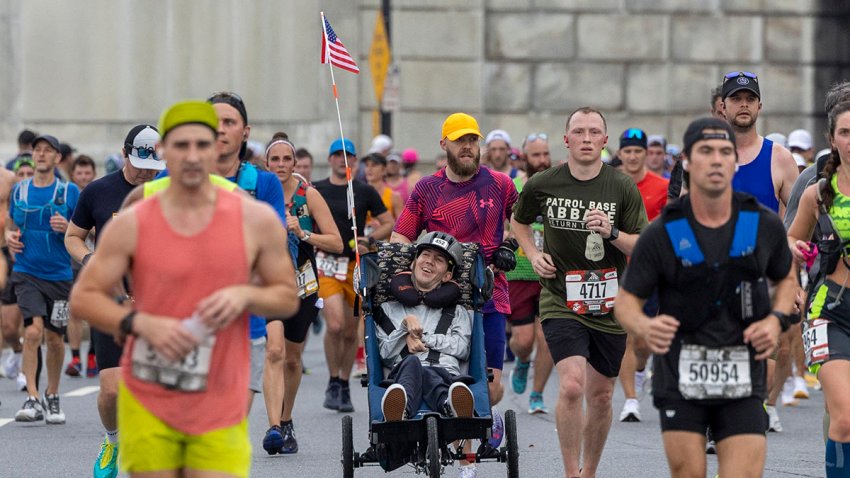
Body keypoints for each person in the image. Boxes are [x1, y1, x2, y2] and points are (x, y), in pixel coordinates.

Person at [69, 100, 299, 478]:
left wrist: (244, 295)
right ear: (163, 151)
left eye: (201, 145)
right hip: (150, 391)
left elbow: (286, 294)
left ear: (219, 148)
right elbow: (85, 296)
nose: (192, 156)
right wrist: (139, 324)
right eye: (180, 145)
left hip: (219, 392)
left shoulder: (250, 215)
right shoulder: (137, 209)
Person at [616, 117, 797, 478]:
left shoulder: (761, 223)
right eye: (706, 151)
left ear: (734, 161)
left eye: (725, 152)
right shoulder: (665, 230)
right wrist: (645, 326)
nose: (716, 160)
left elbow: (786, 277)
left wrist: (775, 319)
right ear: (686, 161)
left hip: (743, 373)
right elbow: (626, 302)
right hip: (681, 374)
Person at [511, 106, 647, 478]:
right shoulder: (544, 183)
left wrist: (612, 233)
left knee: (601, 396)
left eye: (594, 132)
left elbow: (642, 246)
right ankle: (572, 474)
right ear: (566, 139)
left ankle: (589, 473)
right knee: (571, 386)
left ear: (605, 142)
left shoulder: (621, 186)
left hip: (608, 302)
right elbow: (519, 221)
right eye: (579, 132)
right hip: (560, 298)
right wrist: (534, 254)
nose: (587, 139)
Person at [392, 112, 519, 458]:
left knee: (490, 382)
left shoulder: (501, 184)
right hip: (441, 297)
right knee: (447, 369)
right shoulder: (427, 188)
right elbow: (401, 236)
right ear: (444, 144)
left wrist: (510, 245)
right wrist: (404, 279)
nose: (468, 146)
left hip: (488, 294)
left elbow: (521, 223)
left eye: (473, 140)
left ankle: (479, 420)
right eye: (460, 139)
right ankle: (465, 455)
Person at [64, 123, 163, 478]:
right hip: (112, 301)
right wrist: (93, 262)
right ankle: (113, 440)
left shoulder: (169, 191)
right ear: (124, 154)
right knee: (111, 391)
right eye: (139, 163)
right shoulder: (98, 192)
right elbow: (74, 237)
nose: (145, 172)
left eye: (152, 166)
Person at [722, 71, 799, 432]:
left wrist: (795, 278)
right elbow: (682, 218)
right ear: (722, 106)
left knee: (767, 355)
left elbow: (805, 220)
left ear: (759, 106)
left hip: (763, 277)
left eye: (749, 99)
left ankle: (751, 411)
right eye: (736, 99)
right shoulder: (705, 156)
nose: (743, 105)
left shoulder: (779, 159)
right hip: (715, 274)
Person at [261, 132, 342, 454]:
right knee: (274, 352)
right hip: (266, 283)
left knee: (292, 359)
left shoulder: (309, 194)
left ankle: (286, 416)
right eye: (275, 159)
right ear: (266, 164)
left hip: (301, 284)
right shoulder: (258, 193)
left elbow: (336, 242)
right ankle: (273, 427)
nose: (281, 165)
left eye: (286, 159)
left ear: (295, 163)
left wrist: (302, 232)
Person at [787, 100, 850, 477]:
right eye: (845, 132)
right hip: (829, 311)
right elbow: (790, 242)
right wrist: (794, 274)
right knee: (843, 417)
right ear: (832, 139)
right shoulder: (817, 193)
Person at [314, 138, 393, 414]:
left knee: (349, 332)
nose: (342, 160)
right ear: (329, 159)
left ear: (355, 162)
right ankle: (333, 379)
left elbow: (388, 223)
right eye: (337, 155)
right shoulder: (317, 189)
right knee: (334, 325)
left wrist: (368, 240)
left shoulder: (364, 190)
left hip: (354, 266)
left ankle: (343, 383)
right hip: (326, 264)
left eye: (348, 155)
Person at [7, 134, 81, 424]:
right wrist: (9, 238)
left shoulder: (69, 192)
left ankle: (52, 394)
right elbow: (11, 226)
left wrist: (66, 228)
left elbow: (85, 232)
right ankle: (32, 396)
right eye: (37, 149)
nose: (40, 154)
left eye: (47, 151)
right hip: (26, 272)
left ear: (57, 159)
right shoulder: (19, 190)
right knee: (34, 332)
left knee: (54, 337)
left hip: (60, 276)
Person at [377, 231, 475, 422]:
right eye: (425, 255)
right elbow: (385, 355)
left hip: (445, 373)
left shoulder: (457, 311)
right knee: (413, 363)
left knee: (431, 371)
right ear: (413, 263)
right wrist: (404, 328)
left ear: (447, 275)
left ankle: (450, 404)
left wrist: (422, 337)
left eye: (438, 259)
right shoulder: (386, 310)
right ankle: (400, 409)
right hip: (404, 375)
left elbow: (463, 349)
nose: (429, 261)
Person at [613, 127, 669, 422]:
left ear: (646, 154)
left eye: (638, 151)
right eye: (628, 151)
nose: (633, 156)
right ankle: (630, 400)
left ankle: (640, 368)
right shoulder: (611, 184)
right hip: (617, 269)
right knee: (624, 335)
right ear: (620, 154)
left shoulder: (662, 185)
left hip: (651, 271)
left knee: (643, 342)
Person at [506, 132, 554, 415]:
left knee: (546, 337)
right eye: (535, 155)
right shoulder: (511, 187)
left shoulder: (559, 185)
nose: (541, 160)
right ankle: (522, 361)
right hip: (520, 270)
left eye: (545, 154)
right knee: (523, 340)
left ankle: (537, 394)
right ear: (524, 157)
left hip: (550, 272)